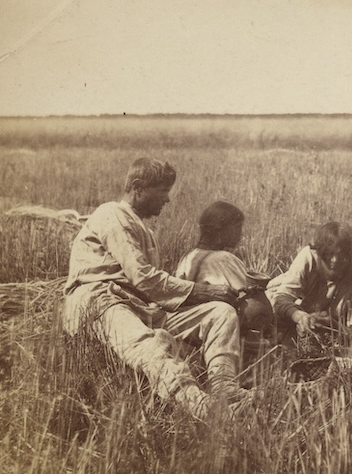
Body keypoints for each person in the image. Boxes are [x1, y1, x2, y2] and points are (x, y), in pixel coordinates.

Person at [63, 158, 246, 421]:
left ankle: (225, 388)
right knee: (150, 348)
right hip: (101, 301)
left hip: (138, 306)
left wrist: (201, 298)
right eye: (162, 191)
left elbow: (149, 287)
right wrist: (200, 291)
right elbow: (143, 277)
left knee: (220, 313)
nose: (167, 199)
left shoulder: (138, 225)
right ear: (138, 187)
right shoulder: (113, 215)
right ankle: (203, 409)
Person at [175, 200, 274, 339]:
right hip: (223, 330)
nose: (241, 234)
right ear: (220, 229)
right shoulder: (224, 259)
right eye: (238, 227)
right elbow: (253, 304)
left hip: (192, 327)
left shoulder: (188, 257)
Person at [266, 221, 352, 348]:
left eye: (341, 255)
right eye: (329, 254)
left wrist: (333, 326)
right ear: (319, 251)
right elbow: (281, 299)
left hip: (329, 331)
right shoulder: (309, 257)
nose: (334, 260)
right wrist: (301, 317)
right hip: (290, 317)